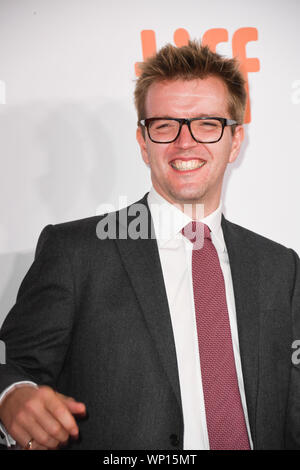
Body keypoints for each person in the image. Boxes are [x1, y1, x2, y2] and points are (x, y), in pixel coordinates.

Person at [0, 40, 299, 451]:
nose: (185, 142)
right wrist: (11, 395)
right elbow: (15, 369)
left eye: (208, 123)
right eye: (164, 125)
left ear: (235, 141)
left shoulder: (280, 268)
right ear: (143, 142)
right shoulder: (75, 252)